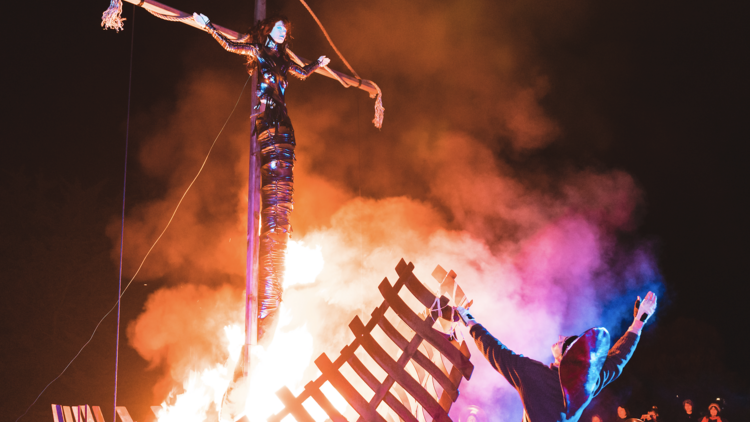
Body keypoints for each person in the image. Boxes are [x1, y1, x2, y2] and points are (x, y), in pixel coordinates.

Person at [192, 13, 330, 339]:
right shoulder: (257, 52)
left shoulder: (282, 63)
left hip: (283, 123)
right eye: (279, 27)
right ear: (269, 30)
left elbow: (301, 72)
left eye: (286, 29)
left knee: (283, 185)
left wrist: (316, 65)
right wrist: (208, 26)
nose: (283, 32)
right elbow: (230, 45)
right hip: (266, 121)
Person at [457, 291, 657, 422]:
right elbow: (618, 359)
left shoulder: (534, 375)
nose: (560, 336)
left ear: (566, 357)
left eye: (564, 341)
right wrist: (638, 322)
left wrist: (470, 321)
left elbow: (496, 351)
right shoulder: (586, 385)